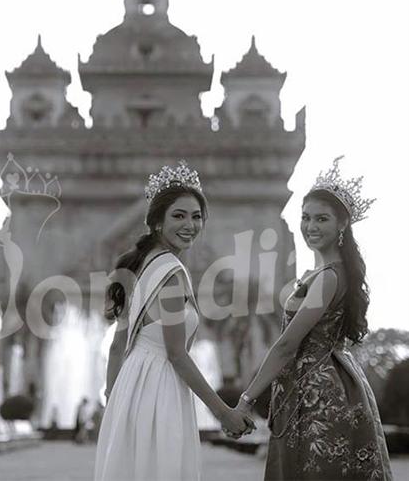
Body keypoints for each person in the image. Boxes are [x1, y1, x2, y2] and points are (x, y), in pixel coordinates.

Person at [234, 157, 392, 480]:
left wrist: (246, 399)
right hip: (315, 385)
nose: (311, 227)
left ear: (342, 224)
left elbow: (287, 344)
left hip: (317, 396)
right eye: (306, 218)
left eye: (322, 219)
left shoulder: (328, 277)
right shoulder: (323, 273)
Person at [94, 161, 253, 481]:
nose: (190, 225)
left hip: (131, 387)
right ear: (156, 223)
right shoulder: (170, 273)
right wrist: (223, 413)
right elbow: (177, 354)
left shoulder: (138, 267)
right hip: (159, 387)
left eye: (196, 217)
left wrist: (115, 403)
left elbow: (117, 347)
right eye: (178, 216)